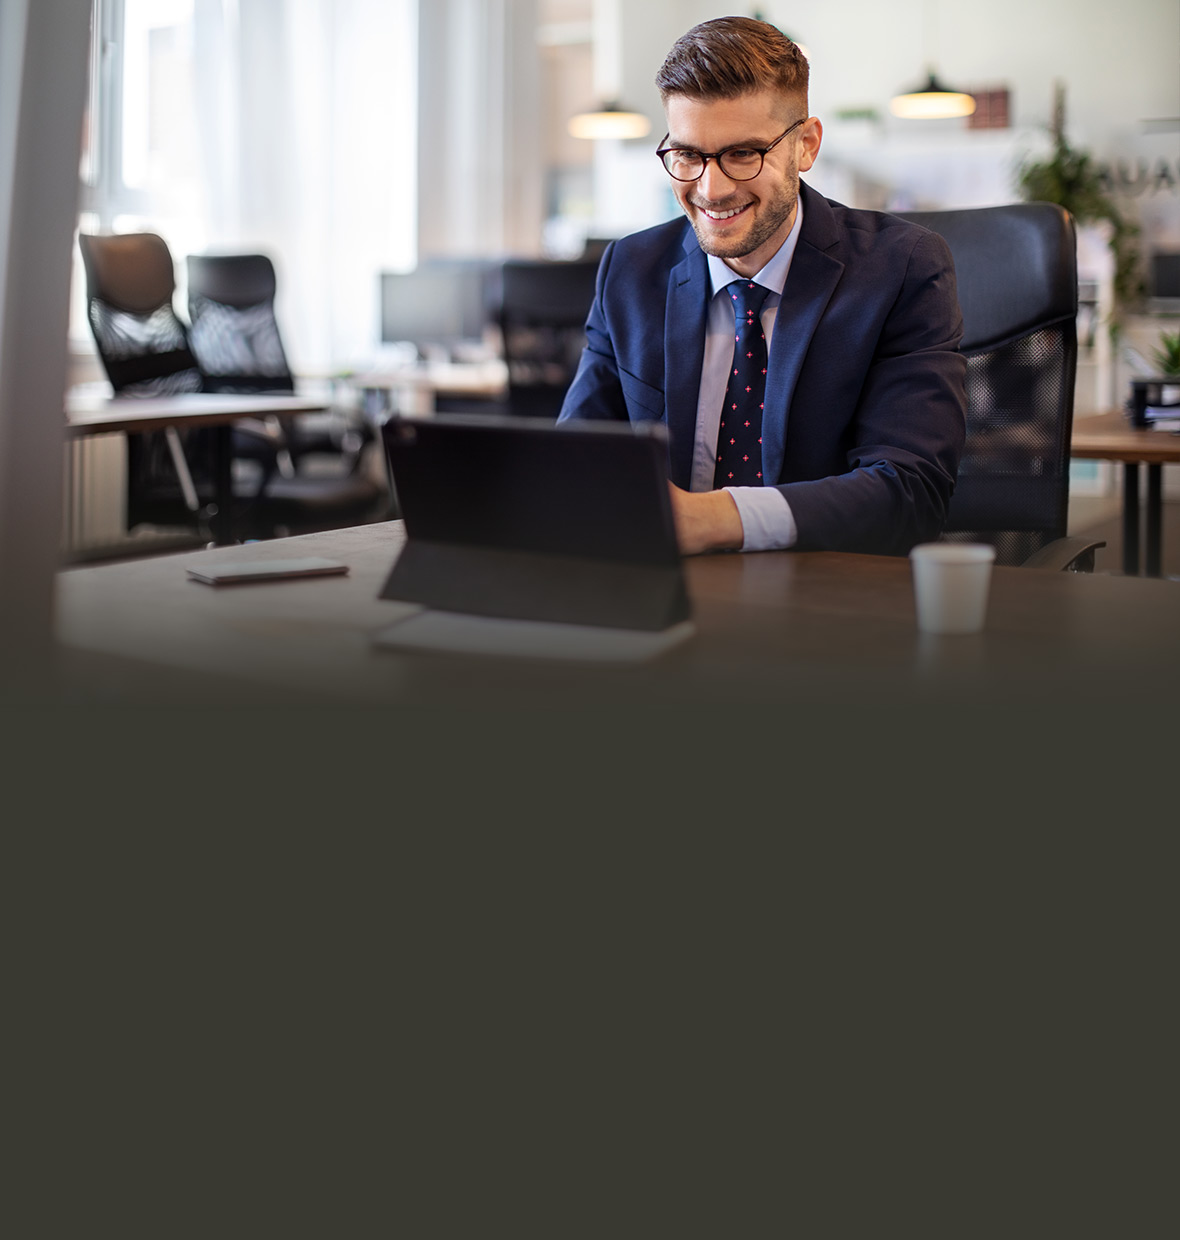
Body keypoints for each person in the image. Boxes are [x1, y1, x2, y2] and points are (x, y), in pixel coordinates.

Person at [557, 16, 967, 557]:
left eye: (743, 154)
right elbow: (571, 462)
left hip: (830, 601)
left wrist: (712, 519)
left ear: (805, 146)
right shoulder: (631, 270)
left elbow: (910, 492)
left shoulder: (902, 269)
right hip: (660, 596)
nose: (711, 188)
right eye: (687, 155)